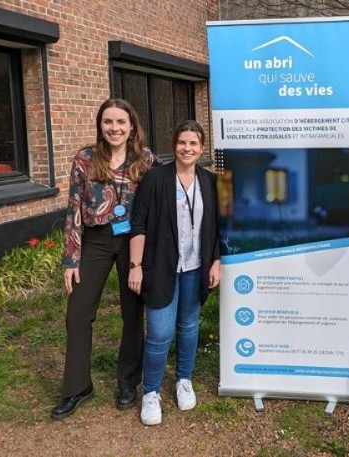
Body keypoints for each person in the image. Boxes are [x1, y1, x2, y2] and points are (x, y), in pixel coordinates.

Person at [52, 99, 159, 420]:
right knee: (77, 313)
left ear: (132, 126)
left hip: (133, 242)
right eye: (108, 122)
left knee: (132, 312)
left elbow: (159, 200)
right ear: (100, 126)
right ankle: (77, 386)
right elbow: (73, 209)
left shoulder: (146, 159)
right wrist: (71, 259)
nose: (115, 128)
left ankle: (128, 382)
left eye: (121, 122)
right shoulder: (85, 159)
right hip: (95, 241)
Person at [128, 120, 220, 426]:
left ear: (202, 148)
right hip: (160, 267)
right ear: (174, 145)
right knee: (159, 333)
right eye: (182, 142)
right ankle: (151, 392)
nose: (187, 148)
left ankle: (184, 379)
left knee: (189, 326)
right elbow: (139, 223)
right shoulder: (155, 179)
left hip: (196, 268)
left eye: (193, 143)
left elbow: (219, 227)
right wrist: (135, 266)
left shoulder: (210, 182)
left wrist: (217, 261)